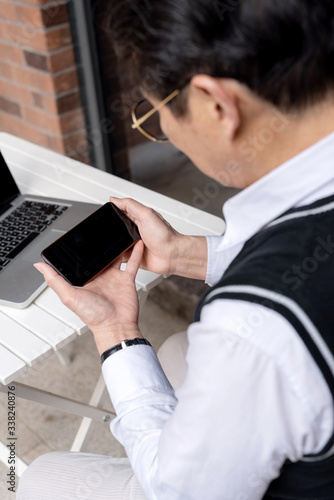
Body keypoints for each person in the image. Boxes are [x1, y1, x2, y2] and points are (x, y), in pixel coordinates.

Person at [17, 1, 334, 499]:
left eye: (156, 116)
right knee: (175, 351)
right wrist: (186, 254)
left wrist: (115, 330)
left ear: (215, 105)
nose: (167, 135)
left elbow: (179, 492)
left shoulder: (253, 327)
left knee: (43, 475)